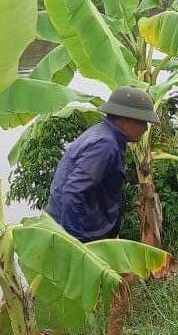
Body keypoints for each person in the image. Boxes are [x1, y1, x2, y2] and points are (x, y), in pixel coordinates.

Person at [47, 86, 158, 242]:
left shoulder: (103, 135)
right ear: (125, 119)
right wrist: (74, 245)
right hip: (78, 235)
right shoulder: (105, 146)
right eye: (142, 122)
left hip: (78, 229)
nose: (145, 128)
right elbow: (73, 192)